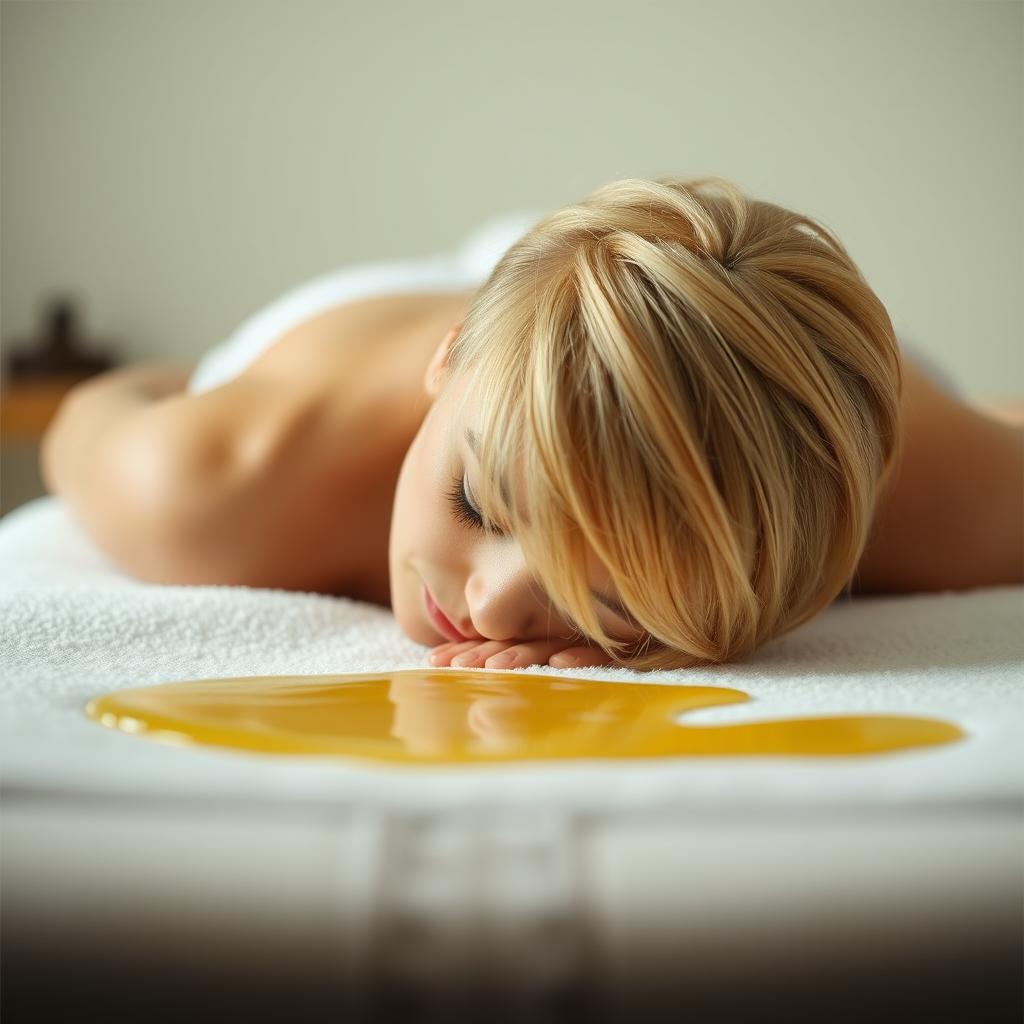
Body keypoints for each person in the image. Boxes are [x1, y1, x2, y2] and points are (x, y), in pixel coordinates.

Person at [40, 176, 1024, 671]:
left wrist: (700, 628)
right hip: (410, 335)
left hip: (741, 345)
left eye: (617, 600)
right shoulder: (215, 486)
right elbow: (94, 411)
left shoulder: (910, 491)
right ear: (449, 356)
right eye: (478, 500)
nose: (496, 607)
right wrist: (190, 377)